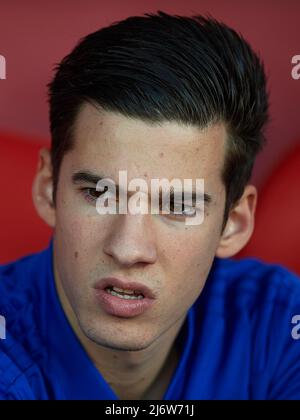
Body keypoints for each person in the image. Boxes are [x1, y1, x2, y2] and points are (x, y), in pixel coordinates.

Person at [0, 11, 300, 400]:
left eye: (178, 206)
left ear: (235, 223)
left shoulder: (277, 324)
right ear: (47, 188)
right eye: (99, 194)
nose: (128, 249)